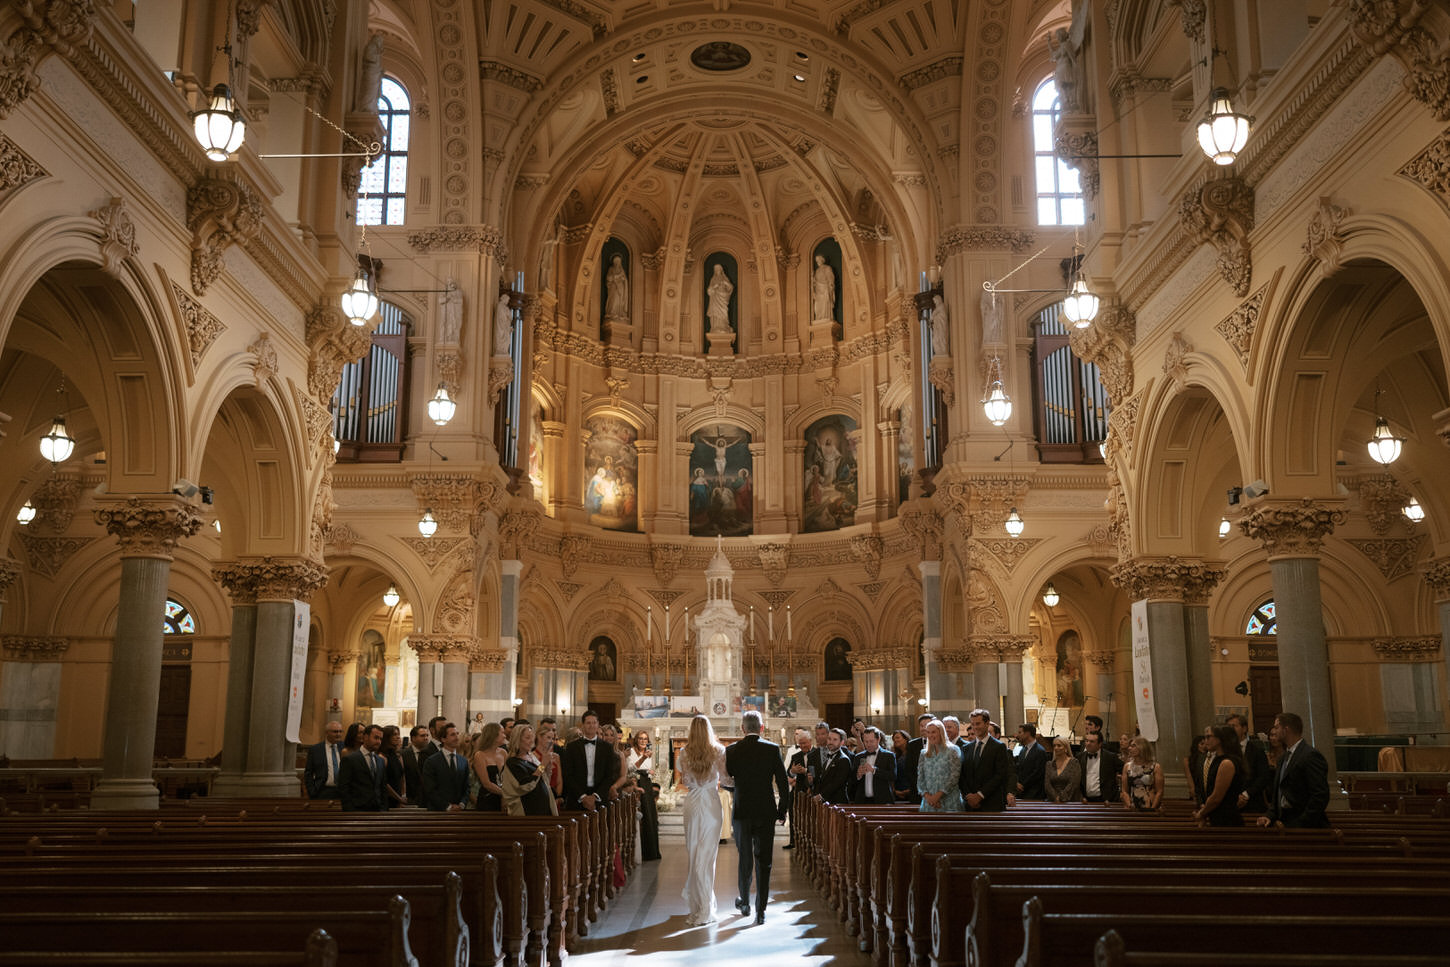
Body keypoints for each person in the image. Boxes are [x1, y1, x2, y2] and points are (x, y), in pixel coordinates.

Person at [725, 709, 790, 925]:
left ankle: (744, 902)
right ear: (761, 728)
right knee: (765, 861)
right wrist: (782, 810)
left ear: (743, 728)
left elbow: (728, 780)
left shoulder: (732, 750)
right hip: (765, 811)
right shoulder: (772, 749)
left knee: (745, 858)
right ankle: (761, 911)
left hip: (742, 811)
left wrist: (740, 790)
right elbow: (782, 782)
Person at [677, 715, 727, 925]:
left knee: (694, 855)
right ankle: (705, 908)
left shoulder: (684, 753)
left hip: (693, 803)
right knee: (707, 858)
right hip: (711, 805)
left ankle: (697, 908)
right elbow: (724, 779)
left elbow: (684, 779)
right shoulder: (719, 751)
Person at [1258, 712, 1331, 829]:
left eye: (1277, 727)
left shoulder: (1310, 755)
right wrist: (1270, 815)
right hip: (1284, 821)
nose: (1274, 732)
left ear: (1286, 730)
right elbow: (1279, 794)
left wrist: (1302, 823)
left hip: (1304, 826)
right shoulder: (1283, 758)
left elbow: (1320, 795)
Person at [561, 709, 619, 810]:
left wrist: (595, 796)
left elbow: (609, 775)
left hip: (600, 799)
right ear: (582, 725)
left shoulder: (607, 748)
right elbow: (567, 775)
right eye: (588, 723)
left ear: (598, 725)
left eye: (594, 723)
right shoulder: (572, 747)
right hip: (576, 799)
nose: (591, 726)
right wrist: (583, 797)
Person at [499, 723, 556, 816]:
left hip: (543, 808)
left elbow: (542, 780)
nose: (531, 741)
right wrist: (543, 765)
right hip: (527, 810)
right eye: (527, 738)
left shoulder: (531, 757)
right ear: (517, 739)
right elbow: (525, 785)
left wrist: (548, 769)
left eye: (532, 737)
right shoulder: (513, 762)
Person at [1194, 724, 1245, 827]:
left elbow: (1216, 797)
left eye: (1209, 737)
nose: (1205, 741)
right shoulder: (1218, 760)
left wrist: (1201, 813)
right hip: (1217, 818)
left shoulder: (1227, 763)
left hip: (1227, 821)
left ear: (1219, 739)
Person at [960, 708, 1010, 812]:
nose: (975, 727)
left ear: (987, 723)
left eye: (978, 724)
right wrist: (968, 795)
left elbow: (1000, 775)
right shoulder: (966, 748)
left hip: (991, 803)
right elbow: (962, 774)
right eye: (973, 724)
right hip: (969, 804)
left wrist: (980, 795)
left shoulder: (999, 747)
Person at [1228, 713, 1271, 814]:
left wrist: (1246, 794)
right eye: (1228, 727)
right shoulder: (1226, 751)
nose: (1230, 730)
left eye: (1233, 726)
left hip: (1253, 803)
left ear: (1244, 728)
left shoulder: (1257, 751)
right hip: (1231, 805)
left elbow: (1264, 777)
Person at [422, 722, 470, 811]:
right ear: (443, 739)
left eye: (457, 734)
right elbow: (430, 789)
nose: (457, 737)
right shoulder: (431, 761)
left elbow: (466, 787)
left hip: (460, 811)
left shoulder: (463, 761)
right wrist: (448, 806)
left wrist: (462, 804)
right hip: (438, 811)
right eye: (452, 735)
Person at [337, 723, 386, 812]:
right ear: (365, 737)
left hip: (378, 810)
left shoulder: (380, 761)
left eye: (380, 739)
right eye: (376, 738)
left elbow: (382, 787)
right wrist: (349, 809)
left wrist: (384, 808)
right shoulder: (350, 759)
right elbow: (343, 787)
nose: (379, 742)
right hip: (357, 810)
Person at [917, 718, 962, 812]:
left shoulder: (952, 750)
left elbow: (954, 777)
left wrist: (937, 796)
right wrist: (928, 797)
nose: (930, 735)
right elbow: (920, 777)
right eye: (928, 732)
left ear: (941, 732)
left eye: (933, 732)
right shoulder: (924, 753)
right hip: (928, 802)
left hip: (948, 800)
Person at [630, 729, 661, 862]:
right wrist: (644, 758)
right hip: (637, 782)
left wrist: (650, 771)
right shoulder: (631, 752)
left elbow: (646, 768)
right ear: (636, 740)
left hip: (646, 782)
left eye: (645, 739)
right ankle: (642, 851)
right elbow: (632, 768)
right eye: (641, 738)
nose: (643, 741)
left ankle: (652, 851)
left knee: (650, 816)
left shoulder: (648, 753)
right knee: (643, 816)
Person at [851, 726, 896, 804]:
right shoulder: (858, 757)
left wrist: (874, 770)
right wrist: (858, 775)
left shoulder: (889, 756)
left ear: (878, 739)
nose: (868, 744)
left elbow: (893, 776)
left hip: (882, 800)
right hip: (862, 801)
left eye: (871, 741)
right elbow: (851, 781)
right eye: (866, 741)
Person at [304, 720, 346, 800]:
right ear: (327, 733)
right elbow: (308, 773)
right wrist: (312, 791)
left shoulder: (345, 748)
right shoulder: (316, 750)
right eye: (335, 732)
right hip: (322, 791)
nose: (338, 734)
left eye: (340, 731)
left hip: (342, 791)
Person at [1077, 730, 1122, 804]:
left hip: (1107, 801)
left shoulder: (1110, 757)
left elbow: (1125, 770)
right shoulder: (1079, 757)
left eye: (1092, 741)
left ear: (1100, 744)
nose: (1088, 743)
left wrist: (1122, 791)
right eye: (1087, 741)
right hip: (1086, 801)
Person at [1120, 736, 1163, 812]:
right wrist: (1129, 805)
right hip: (1132, 805)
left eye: (1133, 746)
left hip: (1150, 804)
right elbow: (1124, 791)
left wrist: (1153, 808)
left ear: (1142, 747)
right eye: (1130, 746)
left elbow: (1159, 791)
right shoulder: (1127, 766)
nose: (1129, 748)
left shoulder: (1155, 767)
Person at [897, 713, 932, 805]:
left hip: (937, 792)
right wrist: (921, 788)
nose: (923, 728)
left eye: (926, 725)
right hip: (917, 792)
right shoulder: (912, 744)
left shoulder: (940, 745)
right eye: (921, 726)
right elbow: (909, 769)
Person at [785, 728, 811, 849]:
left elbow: (819, 773)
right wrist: (792, 771)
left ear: (810, 741)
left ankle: (809, 842)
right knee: (794, 815)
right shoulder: (796, 755)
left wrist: (806, 771)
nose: (802, 746)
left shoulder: (817, 753)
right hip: (797, 790)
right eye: (800, 744)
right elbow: (789, 772)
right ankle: (793, 841)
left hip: (812, 791)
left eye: (805, 743)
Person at [471, 722, 506, 812]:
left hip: (504, 799)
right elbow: (486, 783)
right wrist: (505, 794)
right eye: (502, 733)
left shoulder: (503, 752)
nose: (505, 736)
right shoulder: (480, 755)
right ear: (493, 735)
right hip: (488, 798)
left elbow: (507, 776)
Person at [813, 727, 853, 804]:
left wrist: (821, 796)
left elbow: (836, 783)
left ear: (842, 742)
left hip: (838, 803)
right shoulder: (829, 757)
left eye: (835, 740)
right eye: (829, 739)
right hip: (828, 802)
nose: (831, 742)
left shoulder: (844, 759)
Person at [401, 724, 432, 808]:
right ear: (413, 738)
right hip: (410, 799)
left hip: (427, 800)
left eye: (427, 735)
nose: (426, 738)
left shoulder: (431, 755)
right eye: (422, 736)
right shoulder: (403, 755)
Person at [1014, 723, 1048, 800]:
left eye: (1020, 732)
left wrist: (1023, 785)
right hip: (1021, 792)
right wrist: (1017, 783)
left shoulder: (1040, 751)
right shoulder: (1023, 750)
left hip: (1034, 793)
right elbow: (1019, 769)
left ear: (1027, 734)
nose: (1017, 735)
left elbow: (1037, 773)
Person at [1044, 736, 1082, 802]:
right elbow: (1047, 785)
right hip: (1053, 801)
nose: (1056, 748)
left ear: (1066, 748)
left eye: (1059, 745)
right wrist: (1055, 798)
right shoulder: (1049, 764)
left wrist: (1061, 798)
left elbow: (1074, 783)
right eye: (1054, 746)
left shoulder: (1074, 763)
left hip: (1070, 801)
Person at [380, 724, 407, 809]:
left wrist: (403, 795)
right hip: (387, 799)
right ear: (387, 737)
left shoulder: (398, 756)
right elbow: (384, 783)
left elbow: (402, 778)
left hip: (399, 797)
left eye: (398, 734)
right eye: (394, 735)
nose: (398, 737)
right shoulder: (382, 757)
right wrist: (399, 798)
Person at [706, 263, 734, 332]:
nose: (717, 270)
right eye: (716, 269)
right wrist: (715, 286)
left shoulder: (725, 278)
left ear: (721, 270)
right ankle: (715, 327)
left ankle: (724, 326)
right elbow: (709, 290)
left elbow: (731, 288)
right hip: (715, 298)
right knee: (715, 312)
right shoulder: (713, 279)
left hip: (723, 298)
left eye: (718, 269)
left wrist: (725, 283)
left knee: (724, 311)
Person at [1184, 732, 1209, 805]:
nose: (1204, 746)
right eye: (1201, 744)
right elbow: (1189, 776)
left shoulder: (1209, 758)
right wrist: (1193, 791)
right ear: (1196, 745)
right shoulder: (1188, 760)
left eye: (1206, 744)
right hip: (1196, 790)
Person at [811, 253, 835, 321]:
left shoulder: (827, 268)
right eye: (816, 261)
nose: (817, 262)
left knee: (825, 305)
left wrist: (831, 287)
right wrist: (813, 279)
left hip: (825, 289)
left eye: (819, 260)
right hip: (818, 290)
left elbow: (830, 278)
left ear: (822, 260)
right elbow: (815, 282)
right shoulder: (816, 271)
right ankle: (819, 317)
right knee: (818, 306)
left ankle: (826, 317)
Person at [605, 254, 628, 321]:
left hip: (621, 288)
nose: (618, 262)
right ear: (614, 261)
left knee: (620, 300)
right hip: (613, 287)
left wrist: (624, 279)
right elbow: (608, 278)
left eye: (619, 261)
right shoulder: (611, 269)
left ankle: (620, 313)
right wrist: (616, 277)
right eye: (616, 261)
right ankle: (612, 312)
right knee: (614, 299)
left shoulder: (622, 270)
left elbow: (625, 280)